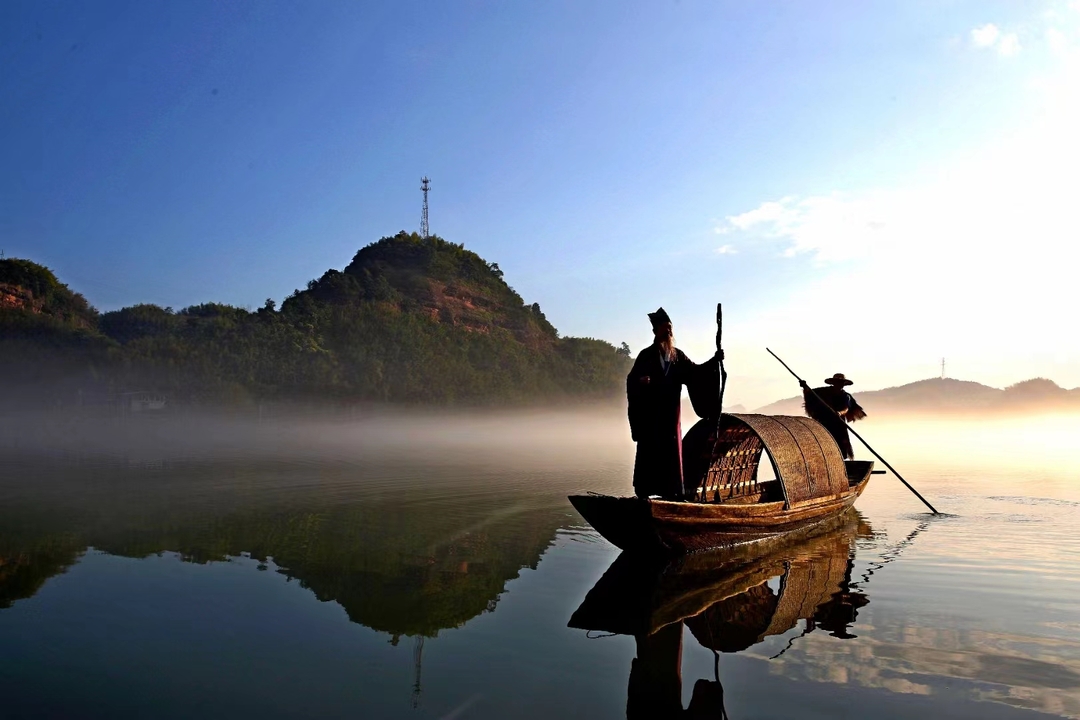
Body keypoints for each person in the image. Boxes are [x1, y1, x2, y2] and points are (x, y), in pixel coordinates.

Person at [626, 308, 720, 499]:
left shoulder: (678, 357)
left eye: (670, 328)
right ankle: (644, 492)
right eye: (664, 328)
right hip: (650, 416)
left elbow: (696, 373)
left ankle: (672, 493)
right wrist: (640, 381)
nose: (668, 331)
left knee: (671, 451)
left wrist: (714, 362)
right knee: (649, 451)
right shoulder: (646, 356)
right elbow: (631, 380)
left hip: (670, 415)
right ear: (655, 331)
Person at [801, 373, 867, 459]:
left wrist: (839, 413)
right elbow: (810, 394)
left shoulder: (846, 396)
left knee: (841, 444)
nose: (839, 385)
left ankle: (840, 462)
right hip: (825, 422)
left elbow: (846, 408)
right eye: (837, 382)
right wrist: (804, 386)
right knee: (823, 442)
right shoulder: (823, 392)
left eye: (841, 383)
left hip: (839, 423)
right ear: (833, 383)